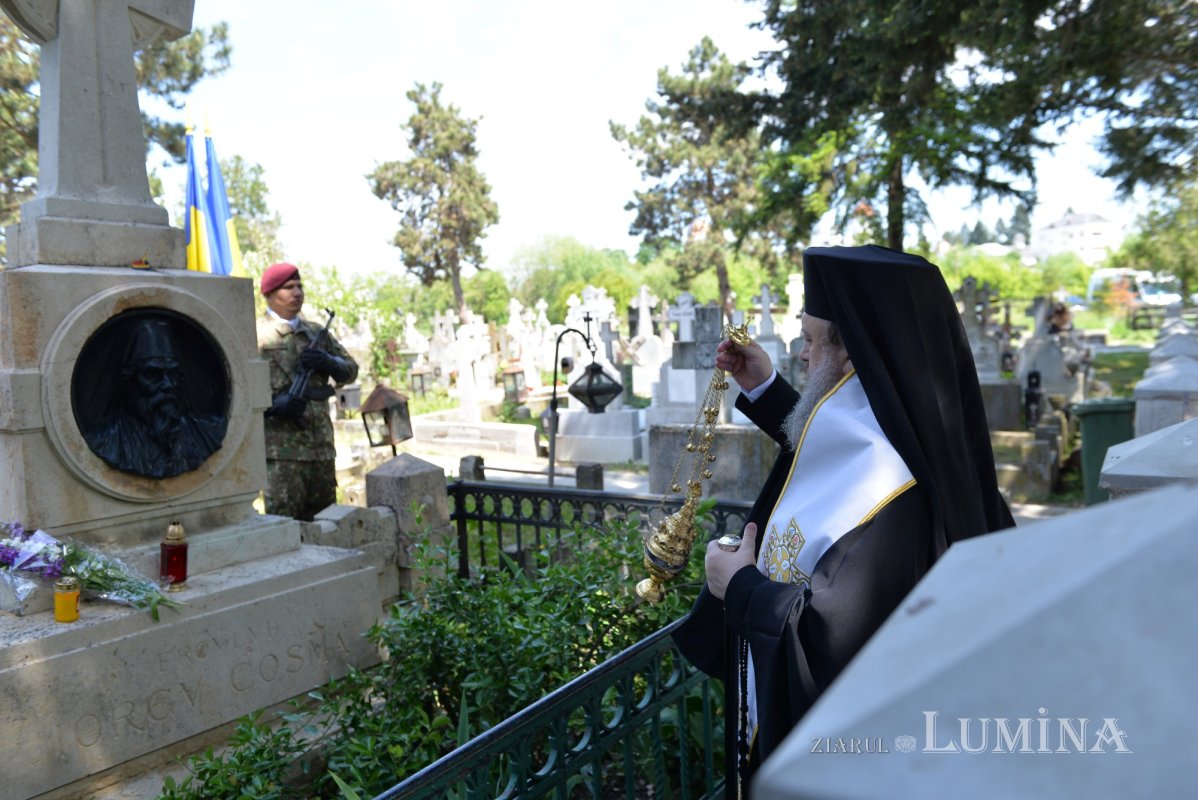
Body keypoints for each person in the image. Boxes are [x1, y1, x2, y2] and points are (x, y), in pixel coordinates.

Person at [673, 245, 1015, 797]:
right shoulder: (897, 423)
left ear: (854, 351)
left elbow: (829, 645)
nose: (801, 354)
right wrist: (763, 386)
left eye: (809, 340)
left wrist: (738, 586)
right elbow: (831, 449)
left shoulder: (893, 492)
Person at [257, 262, 358, 521]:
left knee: (326, 525)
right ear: (269, 294)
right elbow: (237, 389)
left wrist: (328, 361)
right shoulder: (254, 334)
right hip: (281, 453)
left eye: (300, 286)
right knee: (285, 527)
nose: (297, 292)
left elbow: (350, 371)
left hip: (321, 448)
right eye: (288, 287)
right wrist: (274, 405)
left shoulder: (315, 332)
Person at [84, 317, 227, 478]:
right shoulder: (106, 441)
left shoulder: (206, 433)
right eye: (152, 375)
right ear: (129, 381)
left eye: (172, 374)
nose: (168, 385)